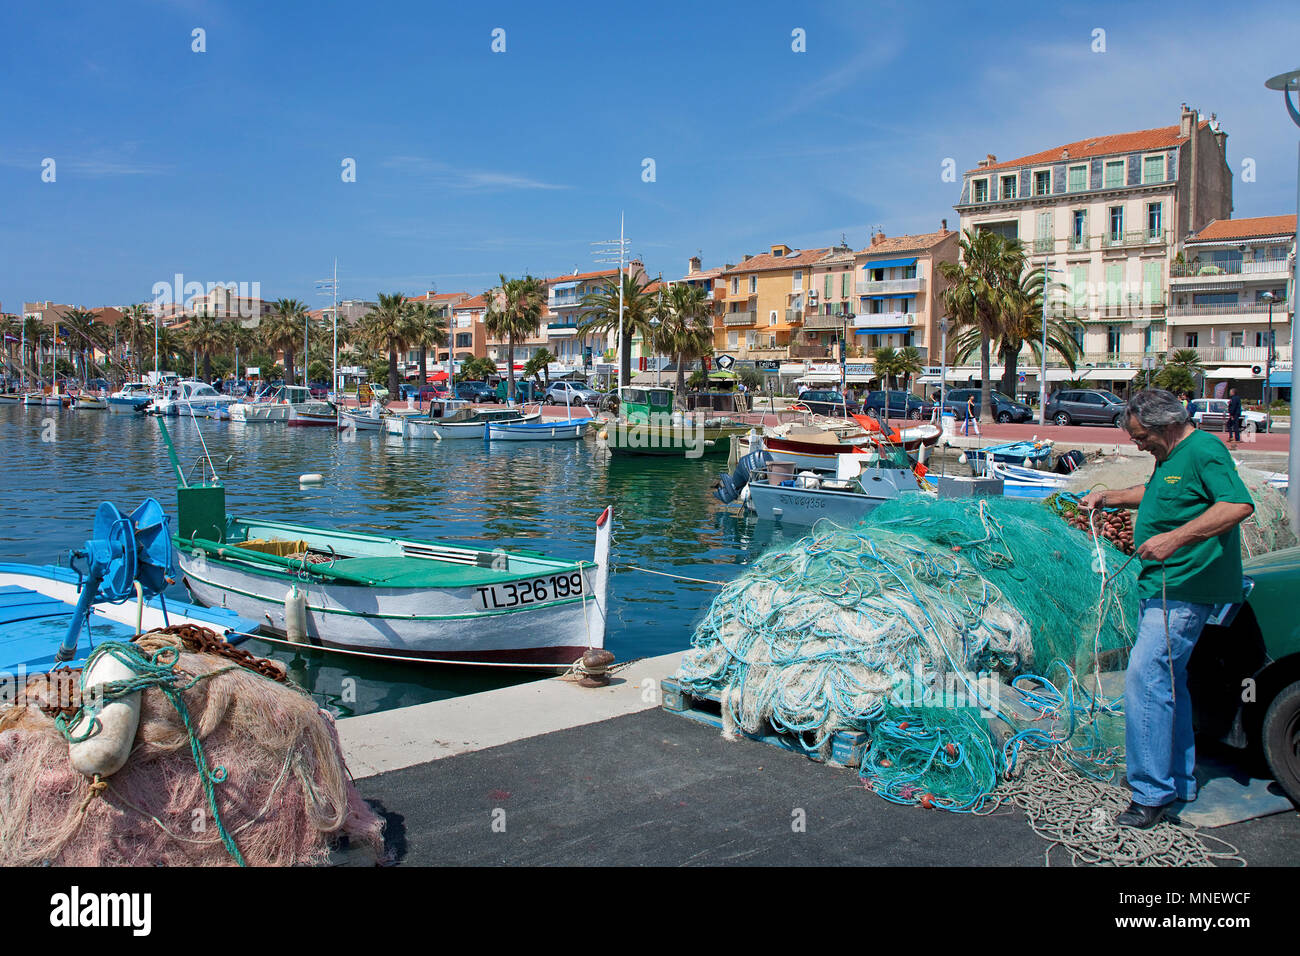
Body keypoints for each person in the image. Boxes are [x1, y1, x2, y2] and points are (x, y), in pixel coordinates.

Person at [1080, 389, 1254, 829]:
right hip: (1158, 586)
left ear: (1167, 425)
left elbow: (1236, 504)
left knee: (1147, 679)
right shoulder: (1170, 455)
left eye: (1142, 438)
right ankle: (1176, 779)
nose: (1139, 445)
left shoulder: (1204, 449)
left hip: (1184, 586)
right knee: (1171, 686)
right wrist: (1111, 497)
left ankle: (1150, 794)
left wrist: (1175, 539)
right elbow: (1157, 493)